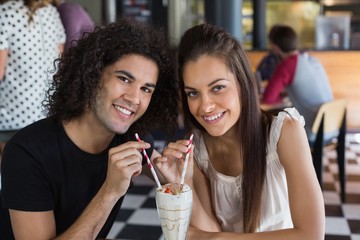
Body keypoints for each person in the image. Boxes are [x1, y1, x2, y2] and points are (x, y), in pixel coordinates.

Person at [1, 18, 179, 239]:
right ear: (92, 76)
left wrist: (178, 176)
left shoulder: (131, 140)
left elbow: (170, 179)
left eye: (146, 89)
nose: (134, 98)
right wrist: (110, 190)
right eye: (124, 79)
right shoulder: (27, 153)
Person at [156, 23, 325, 239]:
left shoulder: (284, 132)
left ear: (243, 83)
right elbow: (206, 232)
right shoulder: (196, 147)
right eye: (193, 93)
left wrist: (218, 238)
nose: (205, 106)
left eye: (217, 88)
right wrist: (184, 183)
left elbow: (312, 235)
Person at [0, 0, 65, 159]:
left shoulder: (4, 13)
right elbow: (60, 63)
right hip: (45, 113)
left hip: (11, 115)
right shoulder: (51, 12)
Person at [262, 25, 333, 137]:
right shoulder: (310, 59)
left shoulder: (287, 65)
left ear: (275, 46)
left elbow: (268, 99)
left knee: (269, 125)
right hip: (332, 126)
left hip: (313, 130)